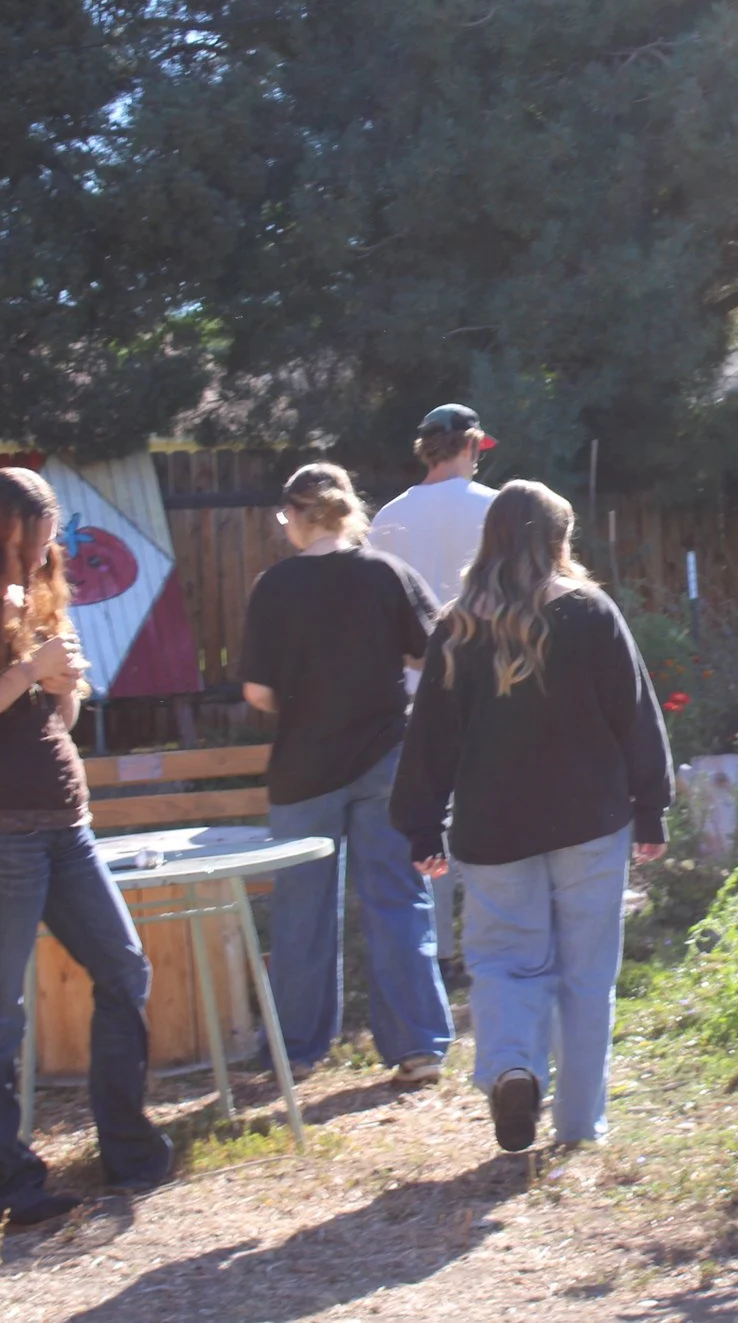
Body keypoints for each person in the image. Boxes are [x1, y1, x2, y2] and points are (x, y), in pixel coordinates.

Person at [0, 467, 170, 1229]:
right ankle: (8, 1183)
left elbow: (57, 719)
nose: (41, 555)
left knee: (123, 967)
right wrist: (25, 671)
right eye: (29, 542)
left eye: (47, 543)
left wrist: (64, 681)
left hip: (64, 826)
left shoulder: (35, 596)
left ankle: (126, 1147)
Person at [392, 481, 671, 1153]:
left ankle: (514, 1066)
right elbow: (633, 713)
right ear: (557, 541)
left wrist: (423, 826)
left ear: (490, 541)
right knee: (586, 975)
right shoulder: (590, 611)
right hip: (589, 820)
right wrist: (651, 808)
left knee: (505, 962)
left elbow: (429, 734)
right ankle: (579, 1127)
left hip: (493, 829)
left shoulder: (458, 626)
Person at [240, 463, 453, 1085]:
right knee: (398, 899)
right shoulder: (387, 572)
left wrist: (307, 704)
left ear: (296, 515)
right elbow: (436, 650)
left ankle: (298, 1049)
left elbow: (257, 692)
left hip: (304, 769)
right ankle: (418, 1047)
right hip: (387, 758)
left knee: (301, 912)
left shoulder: (274, 587)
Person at [368, 404, 501, 990]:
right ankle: (488, 936)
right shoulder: (496, 507)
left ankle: (439, 948)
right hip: (493, 679)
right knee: (489, 808)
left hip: (418, 688)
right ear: (470, 445)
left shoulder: (388, 521)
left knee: (431, 814)